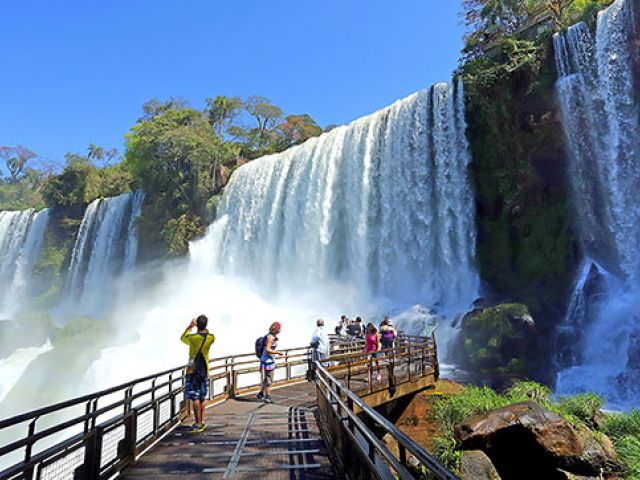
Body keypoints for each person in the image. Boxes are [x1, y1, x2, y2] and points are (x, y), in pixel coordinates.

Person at [181, 315, 215, 433]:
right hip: (204, 369)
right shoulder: (210, 337)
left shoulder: (193, 338)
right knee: (202, 397)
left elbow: (183, 338)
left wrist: (190, 327)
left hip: (192, 370)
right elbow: (209, 334)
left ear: (197, 325)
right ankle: (202, 421)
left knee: (195, 397)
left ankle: (197, 423)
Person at [257, 322, 283, 403]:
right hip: (268, 361)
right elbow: (268, 349)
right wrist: (278, 352)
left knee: (266, 379)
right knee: (269, 380)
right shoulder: (270, 337)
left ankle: (261, 393)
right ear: (277, 329)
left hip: (265, 360)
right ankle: (268, 397)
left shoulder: (270, 336)